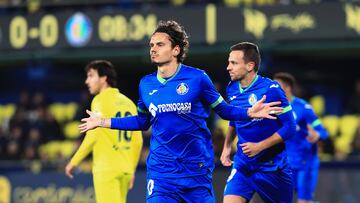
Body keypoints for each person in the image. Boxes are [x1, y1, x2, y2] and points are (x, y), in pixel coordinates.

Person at [78, 20, 283, 203]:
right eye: (151, 45)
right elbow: (142, 122)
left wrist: (248, 113)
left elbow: (224, 110)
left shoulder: (198, 78)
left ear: (176, 50)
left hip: (196, 171)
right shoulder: (146, 84)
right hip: (161, 173)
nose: (153, 49)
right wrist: (103, 121)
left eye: (160, 45)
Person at [220, 42, 296, 203]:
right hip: (243, 166)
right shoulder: (231, 88)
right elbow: (235, 118)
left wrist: (259, 146)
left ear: (250, 66)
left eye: (233, 63)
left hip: (272, 168)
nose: (228, 67)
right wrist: (227, 147)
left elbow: (290, 127)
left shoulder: (271, 89)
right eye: (229, 62)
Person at [65, 60, 143, 203]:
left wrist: (73, 161)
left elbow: (93, 135)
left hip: (107, 169)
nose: (87, 81)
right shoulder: (129, 103)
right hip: (125, 169)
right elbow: (137, 141)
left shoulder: (100, 100)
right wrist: (131, 169)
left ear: (104, 78)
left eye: (91, 76)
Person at [274, 72, 328, 203]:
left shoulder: (303, 108)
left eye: (276, 85)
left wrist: (317, 135)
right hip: (285, 164)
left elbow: (323, 132)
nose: (272, 88)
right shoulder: (272, 109)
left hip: (305, 162)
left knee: (303, 201)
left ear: (287, 88)